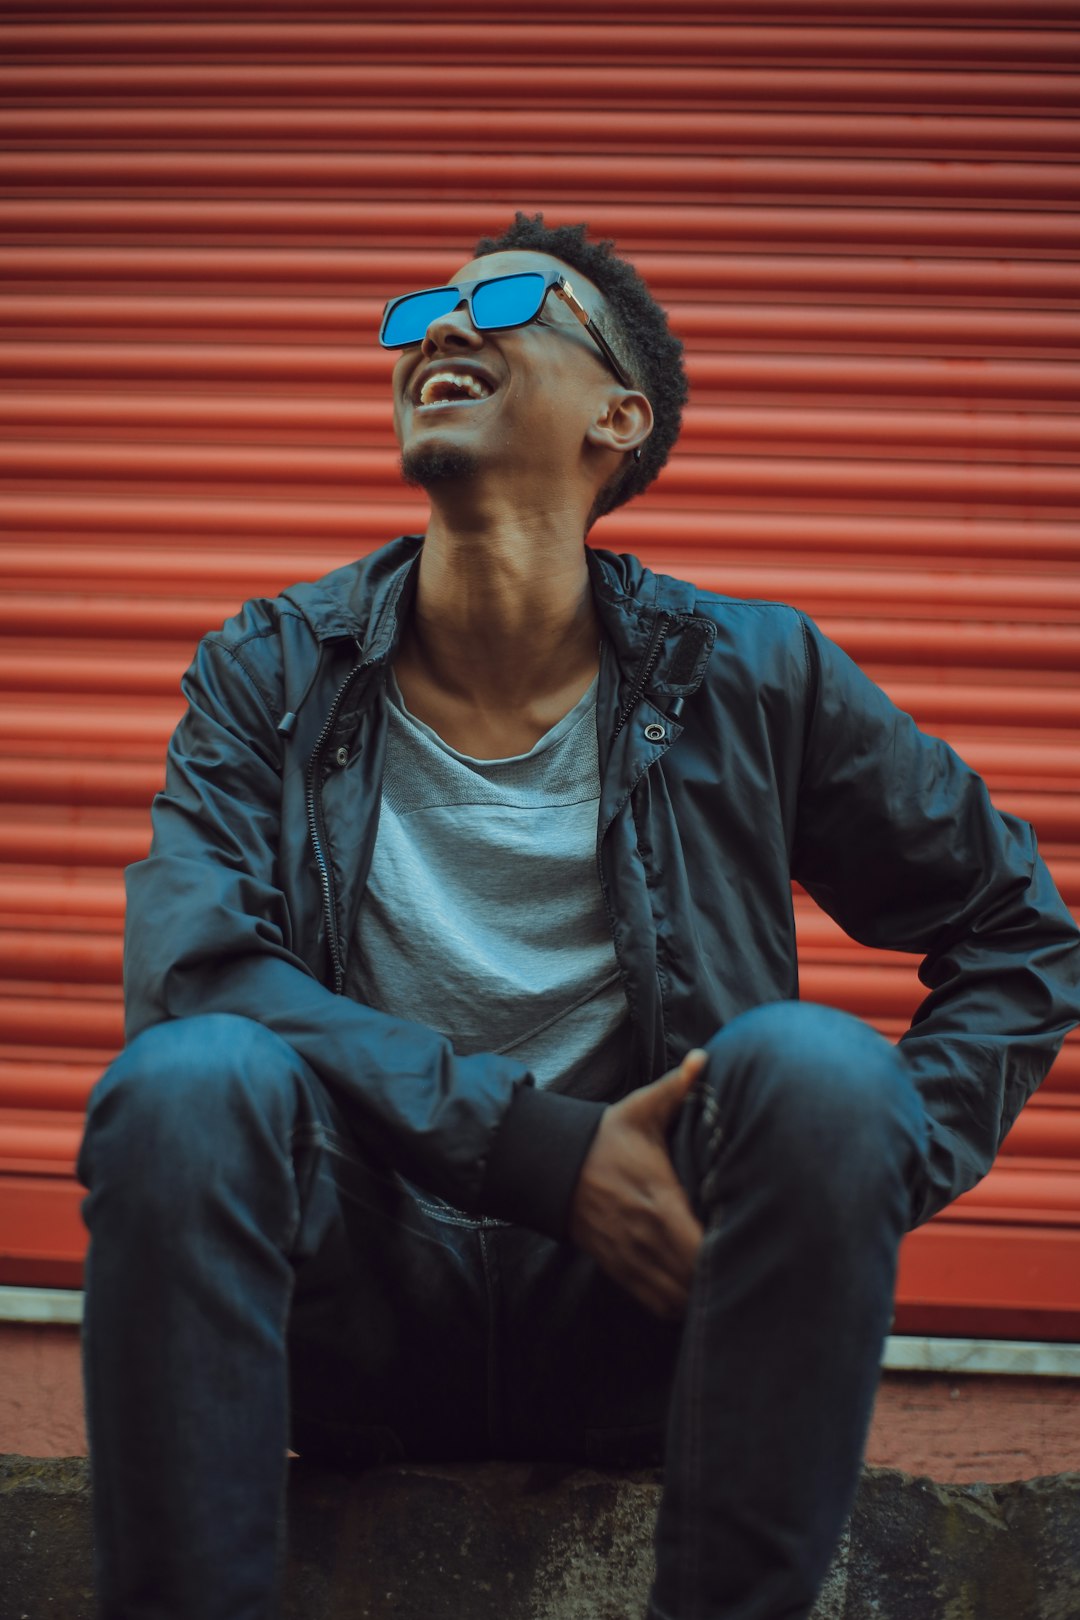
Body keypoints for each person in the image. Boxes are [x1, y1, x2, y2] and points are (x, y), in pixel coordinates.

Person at [77, 212, 1080, 1620]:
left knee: (824, 1072)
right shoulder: (271, 670)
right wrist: (547, 1156)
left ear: (623, 414)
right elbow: (193, 975)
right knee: (188, 1085)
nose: (442, 325)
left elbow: (1018, 935)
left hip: (658, 1320)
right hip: (355, 1306)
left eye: (500, 298)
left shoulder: (755, 672)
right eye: (421, 304)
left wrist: (836, 1209)